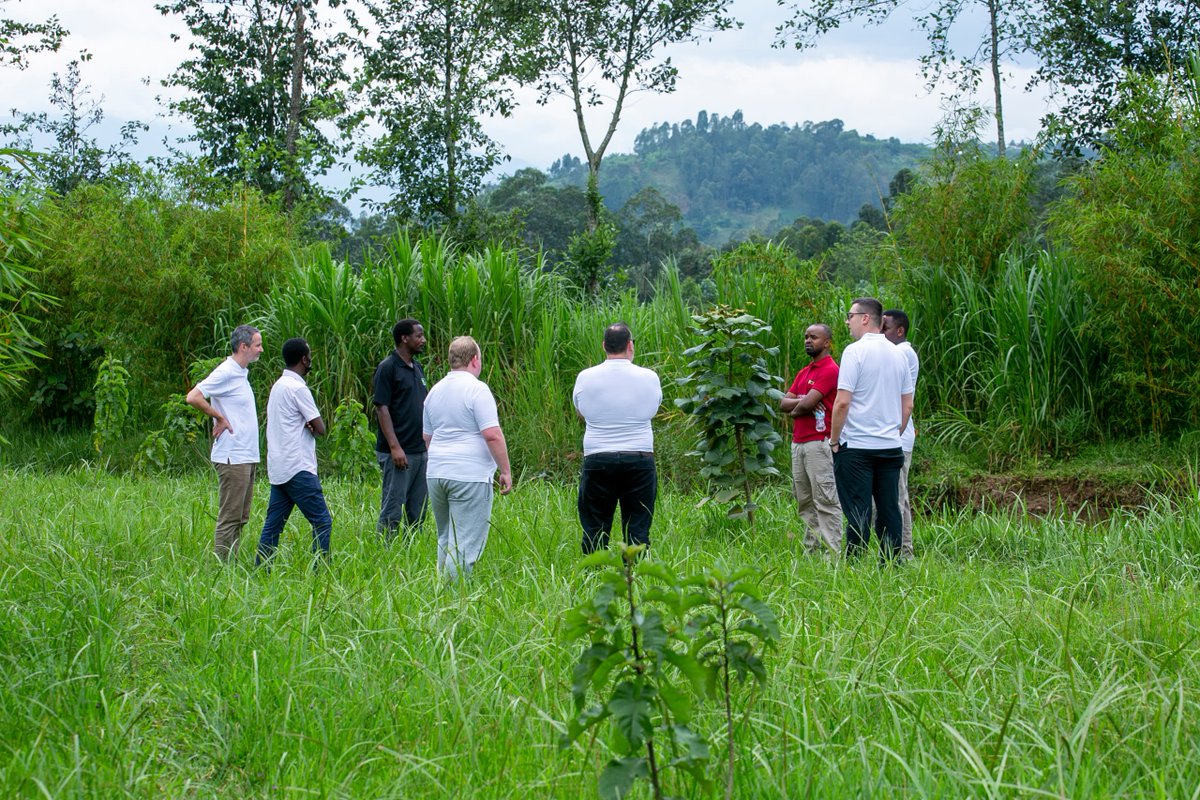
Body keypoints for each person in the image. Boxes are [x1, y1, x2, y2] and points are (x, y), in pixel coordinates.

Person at [828, 298, 913, 561]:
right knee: (889, 510)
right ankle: (890, 564)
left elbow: (842, 401)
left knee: (858, 510)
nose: (847, 322)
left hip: (857, 448)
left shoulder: (854, 352)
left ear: (866, 318)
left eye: (850, 316)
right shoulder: (898, 354)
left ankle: (854, 564)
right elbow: (907, 405)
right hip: (889, 448)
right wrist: (892, 433)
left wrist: (834, 440)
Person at [422, 336, 512, 580]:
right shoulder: (477, 389)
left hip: (437, 473)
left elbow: (427, 437)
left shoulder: (435, 391)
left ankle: (441, 590)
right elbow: (492, 434)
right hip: (469, 475)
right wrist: (505, 470)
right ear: (475, 359)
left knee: (446, 536)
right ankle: (456, 598)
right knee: (464, 543)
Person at [572, 322, 663, 555]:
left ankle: (593, 575)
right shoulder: (649, 377)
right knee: (638, 527)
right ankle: (635, 577)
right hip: (639, 459)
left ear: (604, 346)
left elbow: (581, 412)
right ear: (630, 346)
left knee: (594, 526)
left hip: (598, 458)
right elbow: (654, 409)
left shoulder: (585, 377)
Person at [186, 324, 263, 562]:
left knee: (241, 516)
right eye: (257, 345)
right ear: (243, 347)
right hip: (233, 455)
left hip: (246, 455)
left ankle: (232, 561)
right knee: (230, 516)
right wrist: (218, 416)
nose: (261, 350)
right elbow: (193, 397)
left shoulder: (240, 373)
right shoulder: (226, 371)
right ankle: (221, 567)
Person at [256, 338, 332, 567]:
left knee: (273, 525)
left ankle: (261, 568)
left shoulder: (278, 386)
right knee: (322, 521)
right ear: (304, 359)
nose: (311, 360)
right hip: (299, 467)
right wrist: (311, 425)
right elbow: (320, 428)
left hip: (279, 467)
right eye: (309, 356)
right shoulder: (298, 388)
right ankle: (320, 571)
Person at [780, 324, 843, 556]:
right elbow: (783, 404)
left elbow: (800, 406)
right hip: (798, 443)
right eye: (806, 336)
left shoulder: (830, 369)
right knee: (805, 501)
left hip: (819, 442)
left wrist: (799, 404)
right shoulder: (805, 372)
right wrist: (802, 403)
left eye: (814, 337)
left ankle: (831, 556)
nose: (808, 340)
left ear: (827, 342)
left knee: (825, 500)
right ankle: (812, 552)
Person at [372, 319, 429, 540]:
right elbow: (381, 409)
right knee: (393, 508)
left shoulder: (417, 368)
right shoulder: (388, 367)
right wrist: (395, 447)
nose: (423, 340)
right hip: (398, 453)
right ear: (404, 338)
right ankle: (385, 552)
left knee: (418, 510)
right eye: (418, 335)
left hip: (419, 451)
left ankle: (412, 549)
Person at [883, 308, 920, 560]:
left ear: (900, 331)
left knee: (896, 497)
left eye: (884, 328)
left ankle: (903, 553)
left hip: (898, 434)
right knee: (896, 496)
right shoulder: (898, 352)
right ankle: (898, 550)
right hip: (894, 434)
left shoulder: (901, 352)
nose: (880, 333)